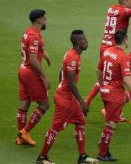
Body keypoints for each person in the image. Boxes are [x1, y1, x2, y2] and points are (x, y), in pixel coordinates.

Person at [36, 30, 98, 164]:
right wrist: (82, 102)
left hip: (70, 98)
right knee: (55, 128)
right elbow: (70, 83)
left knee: (80, 122)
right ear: (77, 42)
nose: (87, 41)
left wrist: (63, 86)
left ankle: (82, 157)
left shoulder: (73, 54)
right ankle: (42, 158)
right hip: (64, 100)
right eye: (83, 40)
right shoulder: (72, 58)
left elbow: (61, 72)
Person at [85, 0, 131, 120]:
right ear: (125, 1)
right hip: (112, 49)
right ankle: (109, 110)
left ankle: (97, 105)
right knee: (116, 81)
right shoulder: (123, 11)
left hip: (104, 46)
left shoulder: (112, 8)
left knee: (104, 77)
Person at [96, 29, 131, 161]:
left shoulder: (107, 52)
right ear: (125, 40)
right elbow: (127, 78)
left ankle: (104, 147)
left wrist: (102, 86)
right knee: (111, 124)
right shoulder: (123, 57)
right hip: (115, 95)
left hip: (105, 92)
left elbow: (98, 71)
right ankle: (102, 153)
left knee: (110, 121)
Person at [16, 9, 51, 146]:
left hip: (23, 70)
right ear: (39, 20)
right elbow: (33, 59)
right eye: (44, 18)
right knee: (44, 104)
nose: (46, 20)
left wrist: (44, 53)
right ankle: (24, 132)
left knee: (24, 104)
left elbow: (25, 49)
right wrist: (44, 76)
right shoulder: (35, 36)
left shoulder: (28, 32)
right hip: (30, 73)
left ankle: (20, 137)